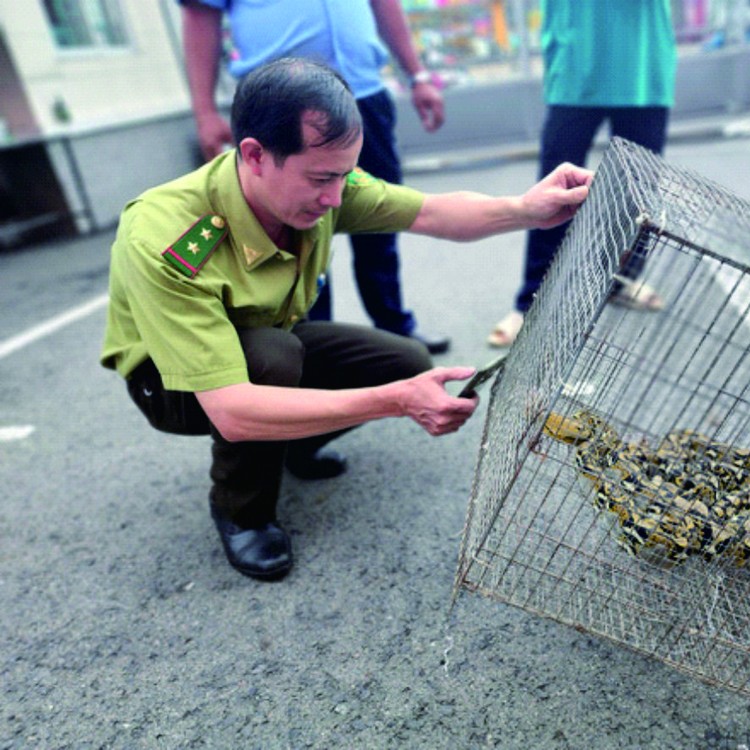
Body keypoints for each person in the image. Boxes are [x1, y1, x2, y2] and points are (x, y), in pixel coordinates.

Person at [100, 58, 592, 582]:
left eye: (343, 175)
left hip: (269, 341)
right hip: (171, 381)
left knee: (402, 360)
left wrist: (525, 209)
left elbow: (429, 212)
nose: (335, 197)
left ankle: (292, 442)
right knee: (274, 359)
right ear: (255, 155)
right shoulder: (165, 234)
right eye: (320, 179)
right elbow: (233, 411)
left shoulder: (327, 182)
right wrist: (396, 402)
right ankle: (241, 511)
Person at [181, 0, 452, 355]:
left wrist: (416, 75)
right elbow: (201, 16)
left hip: (363, 93)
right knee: (292, 229)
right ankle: (305, 348)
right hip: (280, 108)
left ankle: (394, 329)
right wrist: (204, 112)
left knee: (381, 221)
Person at [487, 0, 678, 347]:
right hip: (576, 64)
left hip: (643, 63)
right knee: (554, 193)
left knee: (637, 188)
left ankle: (623, 278)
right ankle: (532, 300)